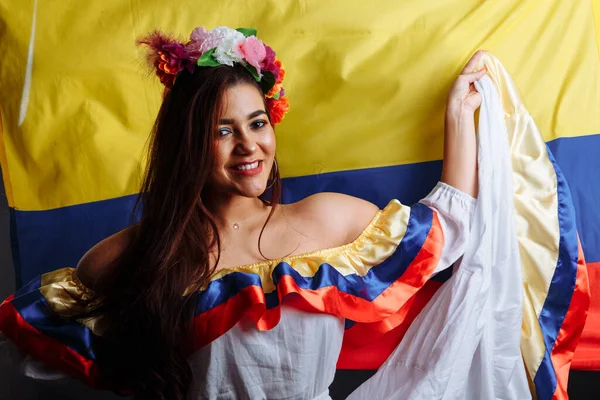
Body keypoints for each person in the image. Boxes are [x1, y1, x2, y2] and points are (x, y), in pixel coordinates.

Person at [0, 26, 486, 399]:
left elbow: (445, 229)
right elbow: (40, 335)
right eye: (222, 131)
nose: (249, 146)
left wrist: (459, 116)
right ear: (188, 143)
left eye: (257, 123)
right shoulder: (133, 255)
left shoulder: (325, 221)